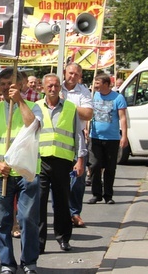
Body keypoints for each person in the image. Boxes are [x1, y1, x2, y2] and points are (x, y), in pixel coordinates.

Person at [0, 68, 43, 274]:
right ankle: (7, 264)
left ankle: (29, 262)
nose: (6, 88)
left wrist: (20, 101)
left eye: (10, 84)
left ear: (20, 85)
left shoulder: (33, 107)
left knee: (27, 219)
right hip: (0, 174)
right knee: (1, 221)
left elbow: (33, 126)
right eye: (2, 84)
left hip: (26, 172)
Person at [37, 73, 87, 253]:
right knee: (39, 204)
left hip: (63, 161)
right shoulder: (36, 107)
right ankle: (39, 242)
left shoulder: (70, 108)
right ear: (43, 88)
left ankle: (63, 238)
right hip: (40, 161)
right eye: (49, 85)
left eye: (56, 85)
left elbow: (78, 135)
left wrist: (80, 159)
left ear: (60, 87)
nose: (53, 88)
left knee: (62, 203)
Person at [88, 73, 128, 205]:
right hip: (95, 137)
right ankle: (96, 194)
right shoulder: (93, 95)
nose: (95, 86)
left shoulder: (118, 98)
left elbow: (122, 117)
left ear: (105, 84)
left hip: (112, 138)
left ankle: (108, 195)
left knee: (110, 167)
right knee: (94, 165)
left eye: (98, 83)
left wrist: (124, 136)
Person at [62, 63, 94, 228]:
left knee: (77, 178)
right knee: (59, 179)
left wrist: (69, 107)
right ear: (64, 73)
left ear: (80, 76)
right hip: (57, 138)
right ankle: (62, 212)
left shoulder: (83, 91)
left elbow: (88, 114)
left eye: (76, 74)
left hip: (77, 137)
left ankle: (75, 212)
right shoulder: (56, 87)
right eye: (70, 73)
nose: (72, 76)